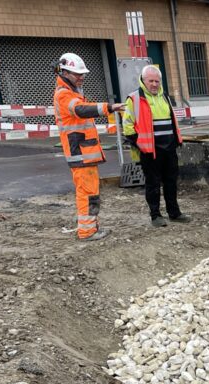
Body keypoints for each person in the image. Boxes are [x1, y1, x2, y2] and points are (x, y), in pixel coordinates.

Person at [53, 53, 125, 242]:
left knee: (90, 191)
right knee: (87, 193)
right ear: (65, 72)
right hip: (80, 153)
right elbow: (81, 110)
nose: (81, 77)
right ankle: (87, 231)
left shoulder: (72, 91)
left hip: (84, 152)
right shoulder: (64, 94)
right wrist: (109, 107)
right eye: (78, 74)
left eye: (82, 74)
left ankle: (91, 227)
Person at [123, 65, 191, 227]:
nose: (154, 84)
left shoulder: (165, 97)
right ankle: (156, 216)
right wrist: (139, 144)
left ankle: (174, 213)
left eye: (157, 81)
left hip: (169, 149)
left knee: (171, 182)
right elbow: (127, 126)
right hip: (150, 151)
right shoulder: (134, 99)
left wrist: (175, 141)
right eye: (151, 81)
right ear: (143, 80)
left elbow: (171, 122)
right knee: (153, 184)